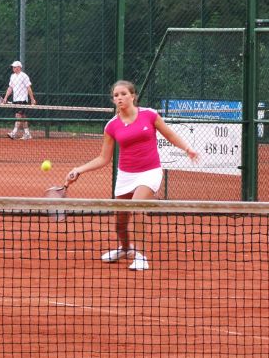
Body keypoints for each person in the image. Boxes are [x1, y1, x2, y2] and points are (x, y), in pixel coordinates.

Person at [65, 80, 198, 271]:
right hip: (126, 175)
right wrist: (79, 169)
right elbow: (103, 158)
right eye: (116, 95)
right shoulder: (111, 126)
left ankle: (141, 256)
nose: (119, 98)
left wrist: (187, 149)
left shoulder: (149, 115)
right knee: (120, 222)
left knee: (138, 207)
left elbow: (170, 135)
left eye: (123, 94)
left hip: (150, 171)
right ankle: (125, 249)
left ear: (133, 96)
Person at [2, 60, 36, 140]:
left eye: (15, 67)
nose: (13, 68)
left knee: (18, 115)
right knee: (23, 117)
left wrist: (32, 99)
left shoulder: (24, 76)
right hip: (15, 99)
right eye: (13, 67)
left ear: (19, 68)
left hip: (23, 99)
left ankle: (14, 133)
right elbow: (10, 88)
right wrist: (5, 98)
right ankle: (27, 134)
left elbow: (28, 88)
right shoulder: (12, 76)